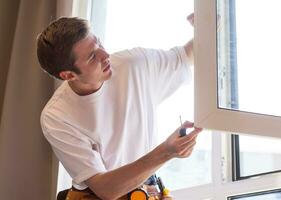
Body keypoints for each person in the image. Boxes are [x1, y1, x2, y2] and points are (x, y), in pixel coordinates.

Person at [37, 13, 201, 200]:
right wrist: (167, 151)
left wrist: (208, 24)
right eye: (92, 57)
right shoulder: (57, 116)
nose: (105, 55)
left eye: (98, 43)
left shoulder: (134, 66)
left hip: (148, 190)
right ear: (68, 75)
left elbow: (188, 56)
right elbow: (106, 189)